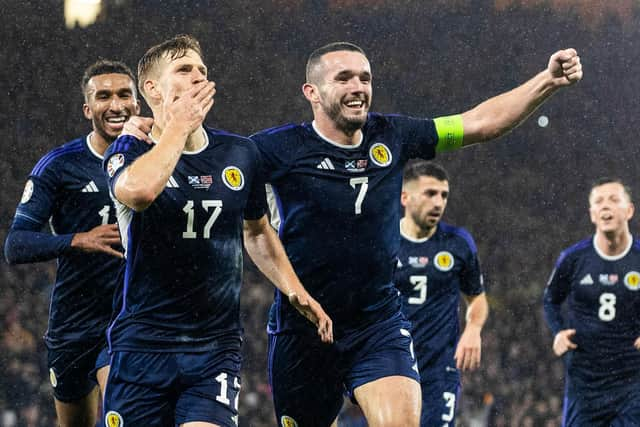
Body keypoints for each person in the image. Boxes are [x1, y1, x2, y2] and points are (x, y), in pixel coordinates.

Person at [250, 41, 582, 427]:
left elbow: (477, 123)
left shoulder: (392, 134)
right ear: (312, 92)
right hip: (302, 330)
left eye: (365, 78)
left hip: (377, 323)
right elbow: (214, 166)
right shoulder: (274, 148)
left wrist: (546, 81)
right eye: (343, 78)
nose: (358, 87)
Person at [101, 34, 332, 427]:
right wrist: (177, 126)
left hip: (215, 348)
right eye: (183, 69)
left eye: (202, 70)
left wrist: (296, 290)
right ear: (151, 89)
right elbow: (139, 193)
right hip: (142, 345)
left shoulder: (240, 153)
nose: (197, 77)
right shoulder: (128, 151)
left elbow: (257, 231)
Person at [3, 59, 139, 427]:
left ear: (137, 103)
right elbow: (16, 245)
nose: (115, 105)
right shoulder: (60, 166)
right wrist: (76, 240)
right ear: (87, 108)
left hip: (131, 318)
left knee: (121, 414)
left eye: (125, 94)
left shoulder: (156, 160)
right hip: (73, 323)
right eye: (103, 96)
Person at [395, 160, 488, 427]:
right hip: (391, 364)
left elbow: (477, 298)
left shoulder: (458, 243)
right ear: (405, 197)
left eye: (444, 195)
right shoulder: (383, 240)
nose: (438, 203)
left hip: (439, 367)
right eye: (430, 194)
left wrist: (474, 328)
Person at [543, 178, 640, 426]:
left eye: (614, 200)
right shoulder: (574, 258)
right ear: (592, 214)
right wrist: (558, 332)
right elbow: (550, 300)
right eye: (599, 201)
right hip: (585, 383)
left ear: (629, 210)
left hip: (632, 381)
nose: (605, 206)